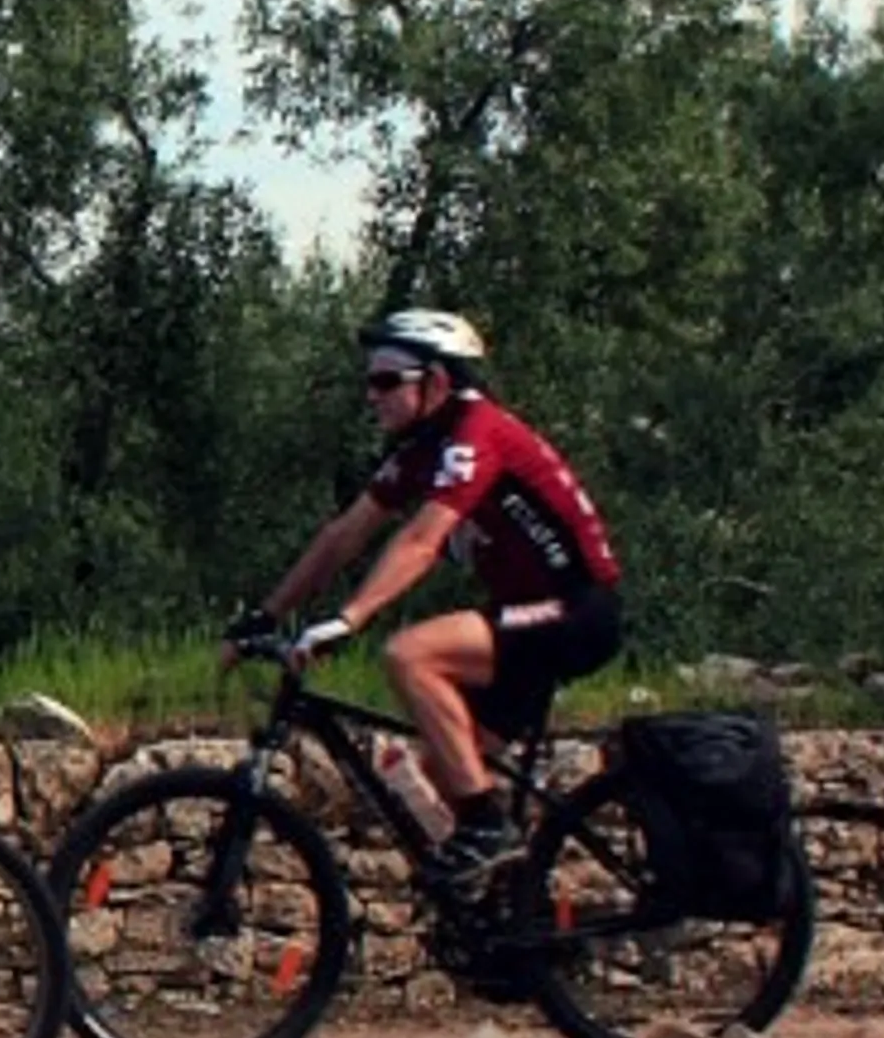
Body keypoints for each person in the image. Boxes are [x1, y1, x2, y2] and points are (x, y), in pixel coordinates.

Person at [247, 308, 625, 904]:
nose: (372, 396)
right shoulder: (424, 446)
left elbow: (421, 541)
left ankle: (486, 827)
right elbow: (345, 534)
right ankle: (514, 915)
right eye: (369, 381)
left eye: (386, 381)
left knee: (410, 655)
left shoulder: (478, 434)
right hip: (528, 616)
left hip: (575, 612)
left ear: (438, 382)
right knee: (430, 771)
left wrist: (351, 618)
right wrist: (265, 615)